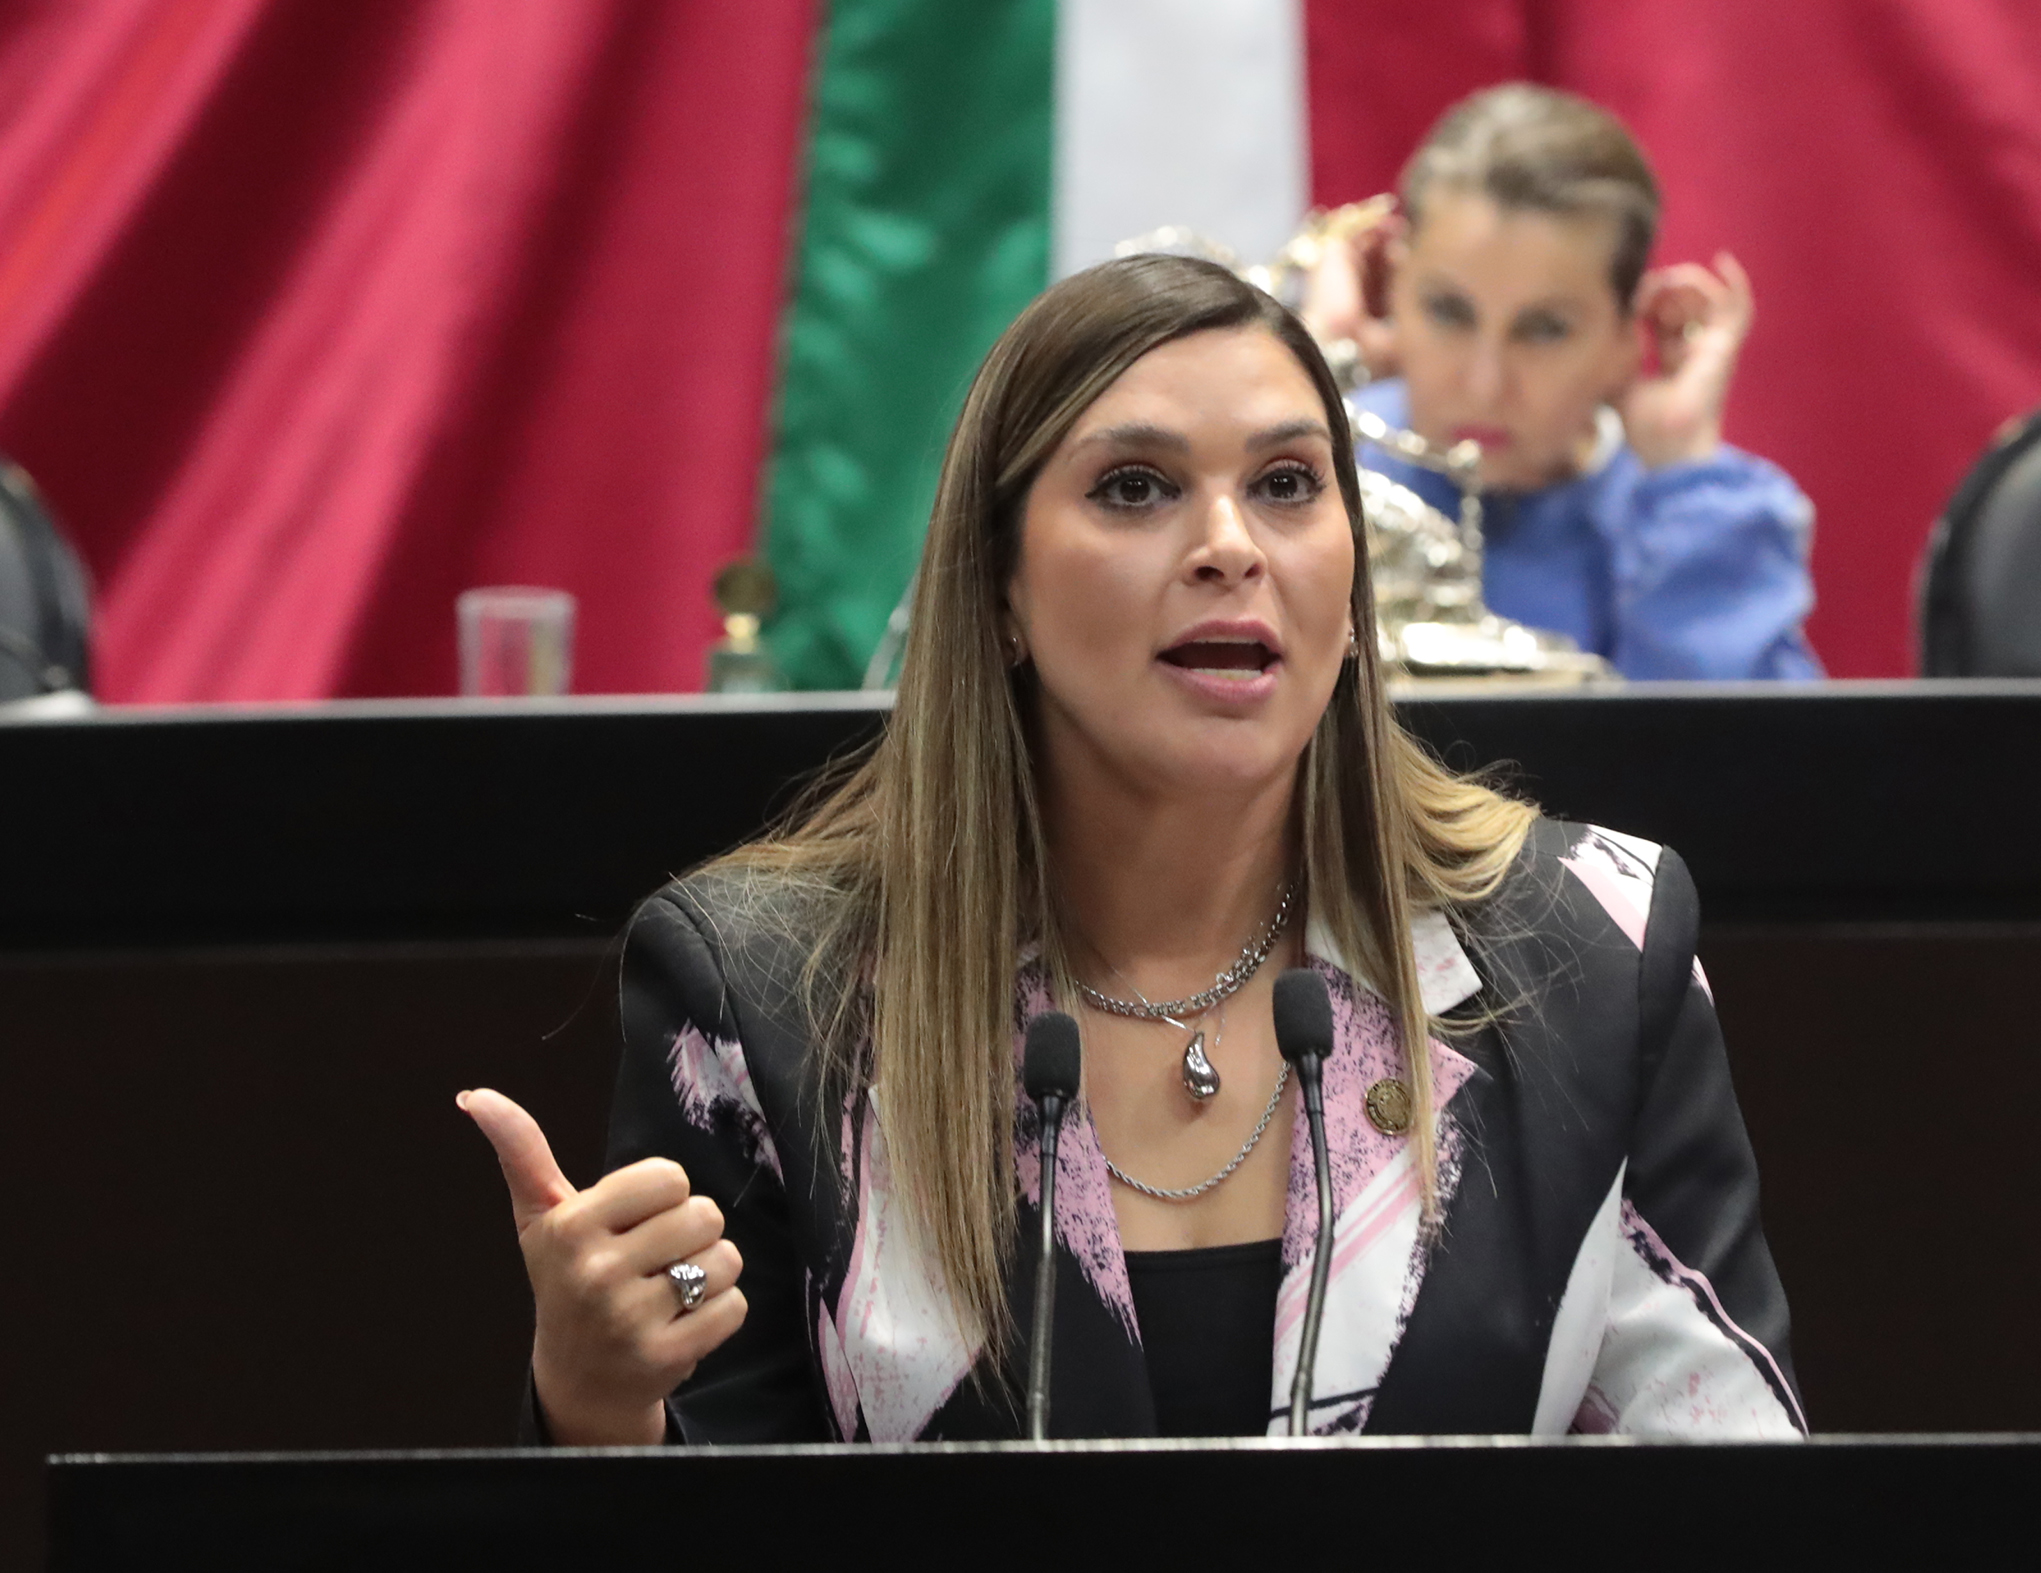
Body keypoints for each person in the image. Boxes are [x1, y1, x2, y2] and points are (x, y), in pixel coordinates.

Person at [460, 253, 1802, 1443]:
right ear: (999, 589)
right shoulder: (770, 995)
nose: (1228, 546)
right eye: (1136, 487)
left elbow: (1732, 1498)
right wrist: (595, 1408)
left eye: (1286, 484)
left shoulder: (1591, 947)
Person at [1305, 84, 1822, 681]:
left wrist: (1684, 471)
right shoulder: (1323, 466)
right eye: (1448, 312)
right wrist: (1308, 386)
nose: (1485, 385)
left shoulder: (1695, 519)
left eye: (1545, 329)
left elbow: (1743, 740)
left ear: (1628, 336)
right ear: (1393, 287)